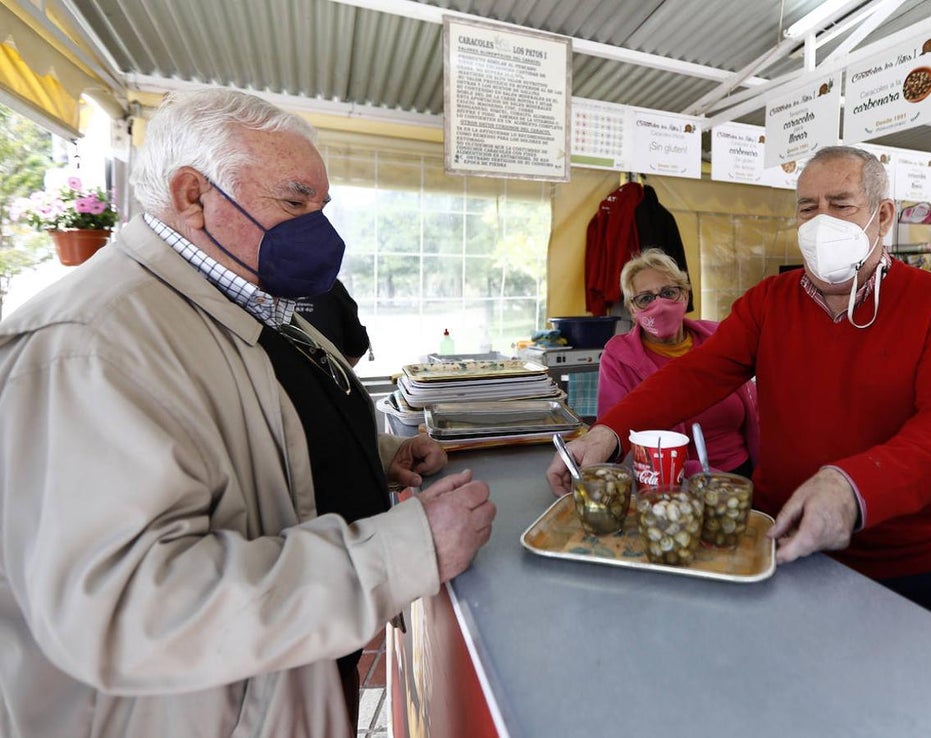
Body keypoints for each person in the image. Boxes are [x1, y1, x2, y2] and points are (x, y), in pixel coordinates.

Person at [0, 87, 496, 738]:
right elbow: (131, 609)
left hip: (289, 679)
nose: (318, 228)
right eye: (294, 202)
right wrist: (403, 551)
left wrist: (373, 458)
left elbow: (250, 429)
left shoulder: (240, 299)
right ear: (192, 197)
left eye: (321, 206)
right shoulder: (91, 344)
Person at [548, 146, 931, 625]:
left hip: (902, 563)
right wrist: (609, 432)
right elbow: (696, 375)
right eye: (807, 207)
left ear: (882, 216)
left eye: (841, 205)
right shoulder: (769, 302)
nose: (822, 221)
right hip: (781, 540)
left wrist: (854, 487)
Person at [599, 248, 758, 478]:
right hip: (669, 481)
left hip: (743, 477)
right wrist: (697, 475)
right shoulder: (618, 359)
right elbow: (618, 443)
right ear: (633, 309)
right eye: (645, 298)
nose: (660, 305)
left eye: (668, 292)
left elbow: (756, 413)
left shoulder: (717, 338)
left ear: (684, 295)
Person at [295, 277, 373, 365]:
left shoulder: (278, 284)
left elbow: (357, 342)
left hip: (281, 372)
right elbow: (357, 343)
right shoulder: (330, 284)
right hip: (324, 372)